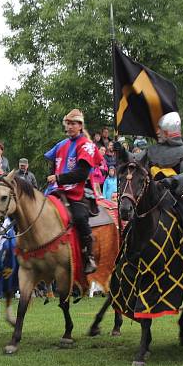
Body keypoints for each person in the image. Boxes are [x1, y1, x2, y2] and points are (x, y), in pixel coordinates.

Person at [144, 111, 183, 276]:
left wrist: (174, 181)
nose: (157, 132)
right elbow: (137, 160)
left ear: (168, 131)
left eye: (160, 129)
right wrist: (122, 152)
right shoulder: (153, 149)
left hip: (176, 195)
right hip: (153, 194)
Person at [44, 109, 102, 274]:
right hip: (56, 190)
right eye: (67, 124)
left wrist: (59, 178)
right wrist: (54, 178)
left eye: (73, 123)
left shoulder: (87, 145)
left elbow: (82, 173)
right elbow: (53, 165)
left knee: (79, 217)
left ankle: (89, 255)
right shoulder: (61, 145)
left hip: (79, 192)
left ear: (80, 125)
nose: (69, 127)